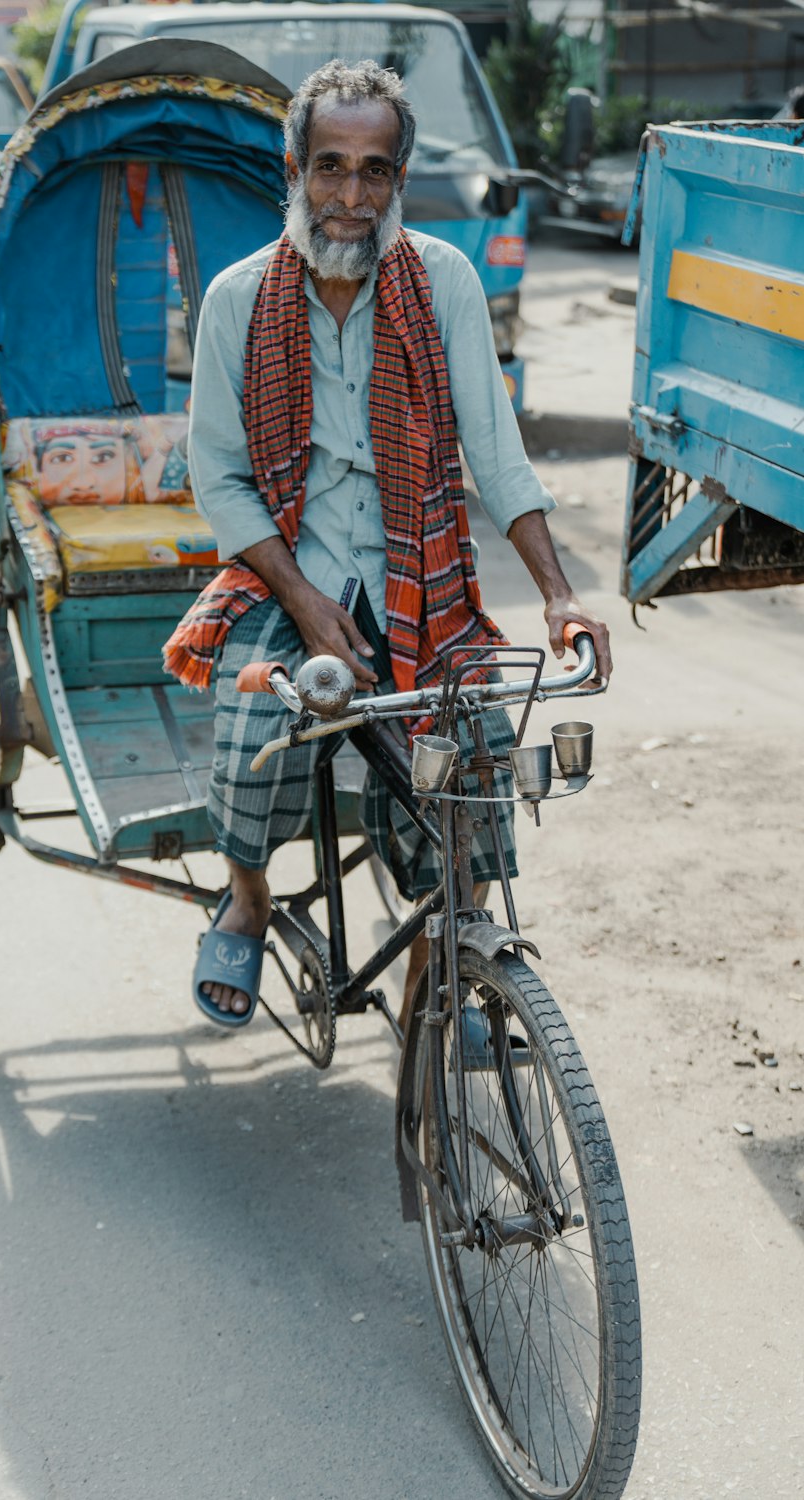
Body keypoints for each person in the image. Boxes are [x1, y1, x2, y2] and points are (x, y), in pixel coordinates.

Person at [163, 59, 611, 1026]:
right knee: (250, 736)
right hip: (288, 574)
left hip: (424, 576)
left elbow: (498, 454)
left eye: (374, 173)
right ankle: (244, 906)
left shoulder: (442, 281)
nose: (350, 198)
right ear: (295, 168)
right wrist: (301, 602)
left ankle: (446, 974)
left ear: (400, 181)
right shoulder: (239, 300)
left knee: (481, 753)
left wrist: (560, 594)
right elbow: (219, 478)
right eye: (331, 168)